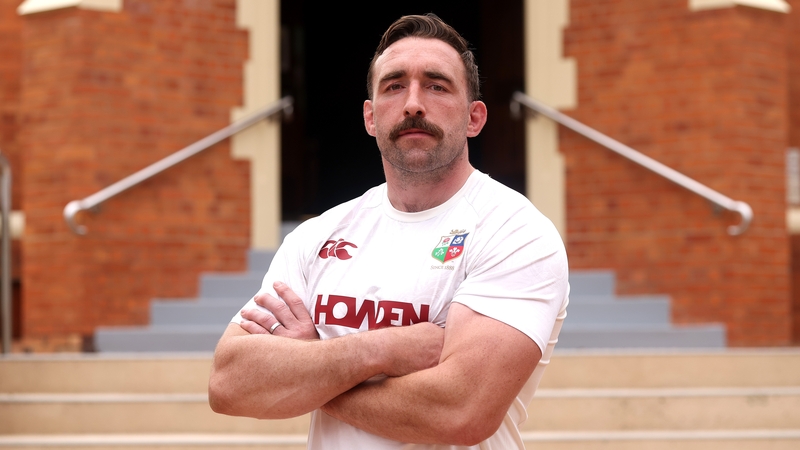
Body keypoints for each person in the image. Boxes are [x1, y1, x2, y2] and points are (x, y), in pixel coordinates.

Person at [209, 13, 569, 449]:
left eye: (436, 85)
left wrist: (312, 364)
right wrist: (384, 349)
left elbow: (460, 410)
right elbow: (229, 383)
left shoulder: (515, 232)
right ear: (371, 117)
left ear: (475, 118)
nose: (413, 103)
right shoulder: (319, 235)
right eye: (394, 85)